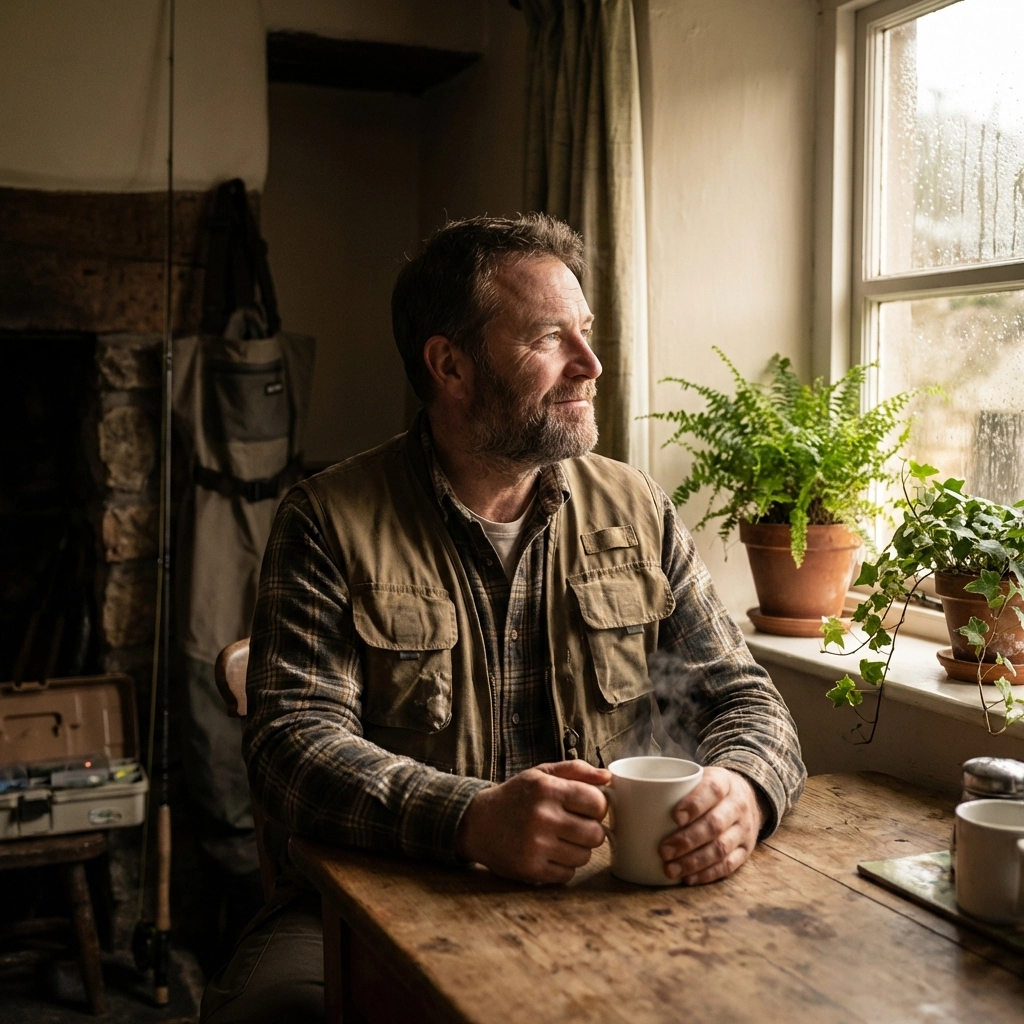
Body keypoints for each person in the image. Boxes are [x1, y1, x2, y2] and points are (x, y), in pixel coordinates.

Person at [200, 214, 806, 1023]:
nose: (590, 364)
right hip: (373, 894)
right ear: (450, 365)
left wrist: (746, 789)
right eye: (551, 338)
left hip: (602, 889)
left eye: (585, 331)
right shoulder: (325, 520)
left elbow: (746, 697)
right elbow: (291, 747)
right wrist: (469, 819)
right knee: (272, 1015)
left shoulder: (637, 508)